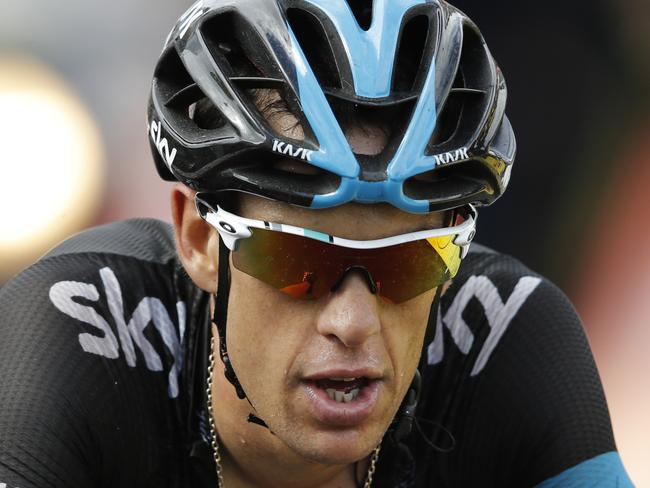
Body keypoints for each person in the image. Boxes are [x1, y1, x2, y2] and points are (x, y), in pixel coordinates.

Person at [0, 1, 635, 487]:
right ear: (199, 239)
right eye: (298, 260)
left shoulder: (509, 337)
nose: (354, 323)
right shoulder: (73, 332)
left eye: (413, 262)